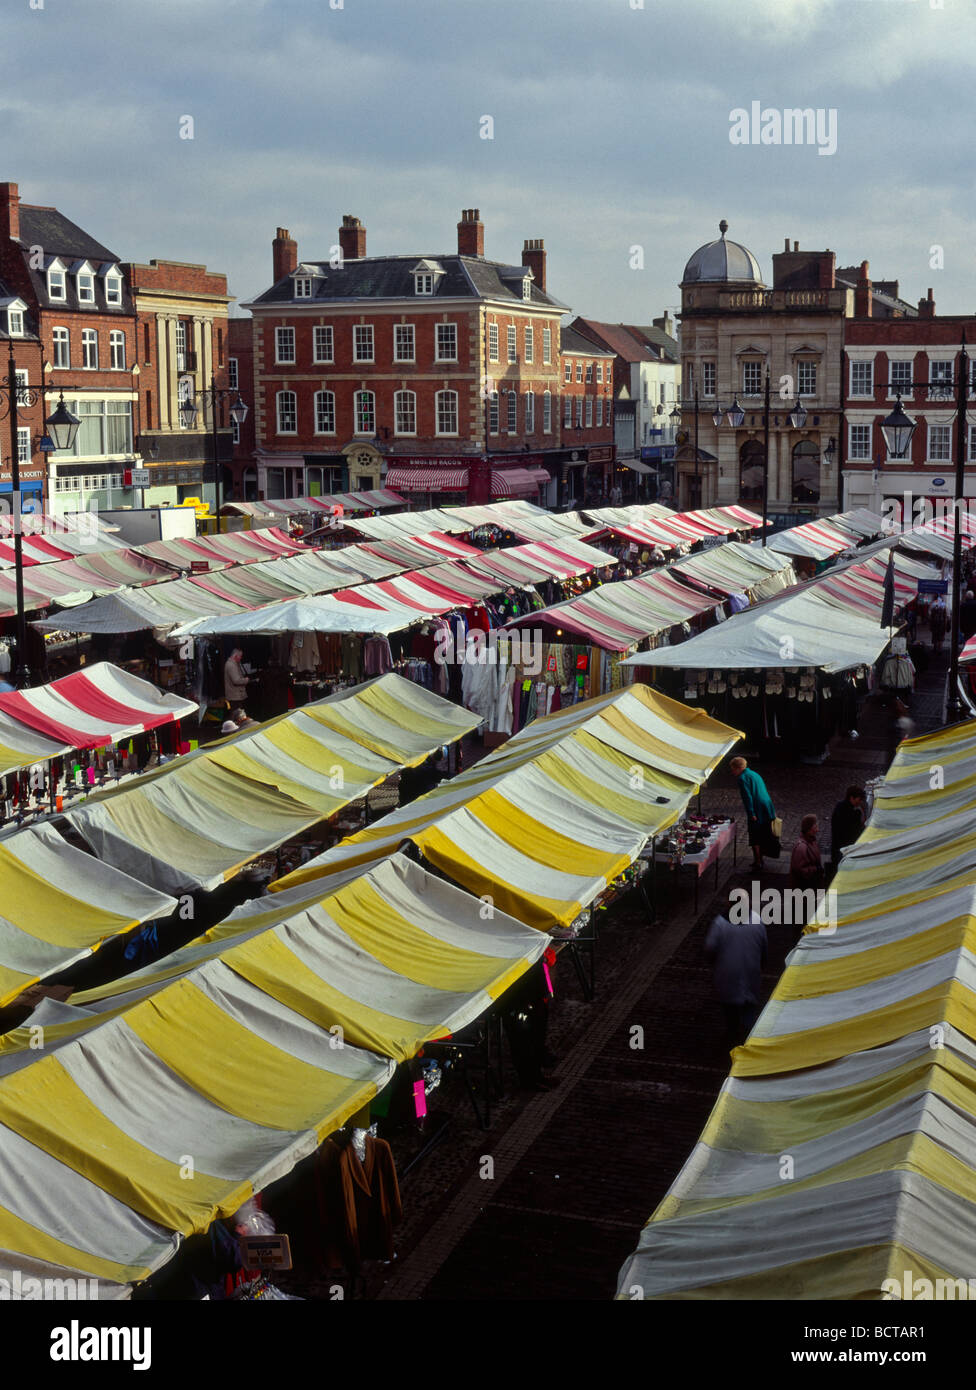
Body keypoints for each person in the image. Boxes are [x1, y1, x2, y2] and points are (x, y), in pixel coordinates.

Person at [704, 896, 767, 1049]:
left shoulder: (720, 924)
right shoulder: (757, 921)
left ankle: (733, 1038)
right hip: (751, 973)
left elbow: (709, 948)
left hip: (728, 977)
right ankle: (749, 1041)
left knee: (730, 1013)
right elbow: (764, 948)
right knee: (749, 1010)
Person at [729, 755, 776, 870]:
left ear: (737, 768)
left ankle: (758, 861)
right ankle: (760, 859)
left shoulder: (742, 778)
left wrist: (751, 813)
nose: (732, 772)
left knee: (754, 835)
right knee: (764, 832)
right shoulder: (754, 774)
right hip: (767, 807)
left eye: (732, 769)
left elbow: (747, 797)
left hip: (757, 809)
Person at [830, 785, 865, 877]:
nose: (860, 802)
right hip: (843, 849)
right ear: (852, 798)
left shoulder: (841, 806)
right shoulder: (850, 812)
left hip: (838, 847)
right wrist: (858, 814)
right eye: (859, 799)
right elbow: (853, 831)